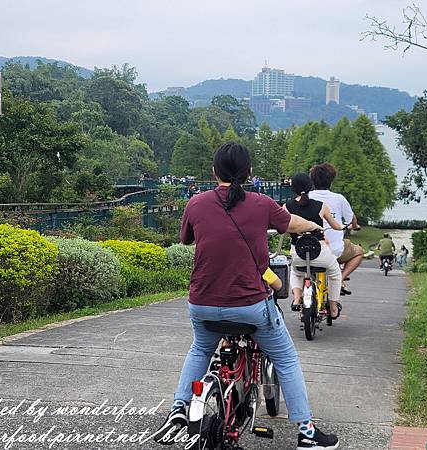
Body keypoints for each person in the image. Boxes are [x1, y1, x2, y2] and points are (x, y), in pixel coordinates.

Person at [153, 142, 340, 450]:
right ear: (250, 172)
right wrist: (315, 228)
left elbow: (186, 239)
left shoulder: (196, 203)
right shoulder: (261, 203)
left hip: (201, 304)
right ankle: (306, 433)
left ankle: (178, 409)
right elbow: (292, 223)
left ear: (214, 172)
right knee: (285, 357)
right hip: (249, 307)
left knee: (200, 351)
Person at [285, 173, 345, 319]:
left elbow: (285, 229)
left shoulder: (287, 206)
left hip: (298, 253)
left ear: (292, 188)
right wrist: (343, 226)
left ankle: (297, 298)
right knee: (335, 274)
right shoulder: (321, 206)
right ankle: (332, 307)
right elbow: (336, 226)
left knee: (296, 272)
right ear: (310, 186)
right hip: (320, 252)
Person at [309, 163, 363, 296]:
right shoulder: (339, 199)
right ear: (331, 179)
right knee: (359, 251)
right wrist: (355, 226)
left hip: (309, 250)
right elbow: (351, 219)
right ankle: (340, 278)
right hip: (335, 251)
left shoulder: (307, 197)